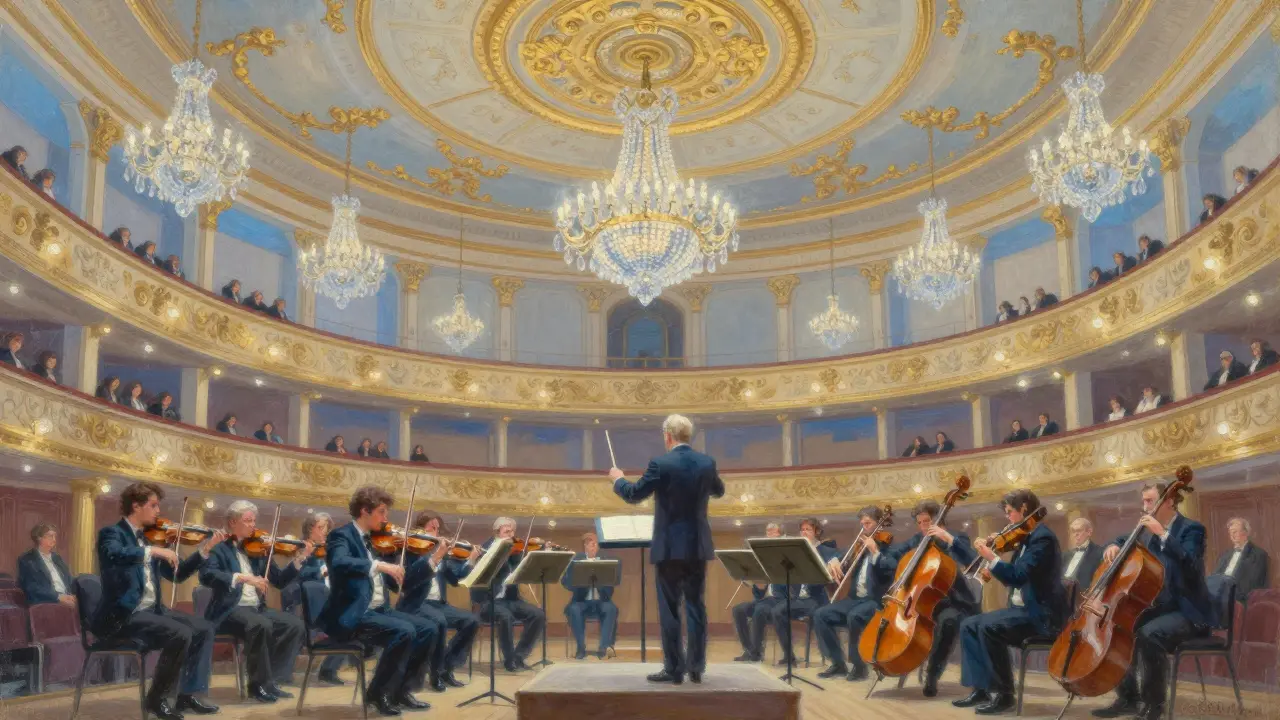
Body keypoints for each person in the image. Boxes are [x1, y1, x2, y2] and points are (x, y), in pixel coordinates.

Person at [94, 481, 225, 720]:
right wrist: (153, 551)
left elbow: (177, 575)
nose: (158, 511)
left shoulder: (149, 539)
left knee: (204, 628)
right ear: (136, 506)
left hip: (153, 611)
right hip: (124, 615)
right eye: (153, 506)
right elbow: (114, 554)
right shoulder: (112, 534)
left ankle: (187, 694)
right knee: (180, 633)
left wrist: (205, 550)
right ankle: (156, 699)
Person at [611, 413, 725, 684]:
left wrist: (618, 479)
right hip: (697, 546)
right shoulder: (706, 463)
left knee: (670, 609)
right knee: (696, 606)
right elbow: (718, 491)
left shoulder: (661, 464)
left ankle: (674, 669)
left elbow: (634, 494)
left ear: (667, 436)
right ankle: (696, 667)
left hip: (670, 547)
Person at [1090, 482, 1210, 720]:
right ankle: (1128, 698)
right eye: (1143, 500)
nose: (1144, 506)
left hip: (1187, 610)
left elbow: (1191, 564)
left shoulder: (1192, 529)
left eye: (1149, 500)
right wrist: (1113, 545)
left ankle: (1154, 706)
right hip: (1159, 606)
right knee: (1120, 629)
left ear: (1168, 501)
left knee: (1149, 634)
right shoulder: (1145, 530)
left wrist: (1163, 534)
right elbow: (1123, 538)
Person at [321, 485, 437, 715]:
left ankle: (401, 691)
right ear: (365, 511)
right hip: (353, 615)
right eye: (382, 512)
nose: (386, 519)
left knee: (428, 628)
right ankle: (377, 692)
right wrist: (378, 564)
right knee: (403, 631)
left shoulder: (378, 542)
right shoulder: (340, 536)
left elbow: (398, 585)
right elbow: (339, 562)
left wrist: (431, 562)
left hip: (378, 611)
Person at [953, 489, 1065, 715]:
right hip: (1020, 611)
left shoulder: (1042, 539)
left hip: (1040, 617)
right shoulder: (1024, 538)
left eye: (1010, 512)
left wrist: (992, 557)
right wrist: (995, 549)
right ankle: (982, 688)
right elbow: (1012, 571)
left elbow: (1018, 576)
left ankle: (1004, 695)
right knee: (969, 624)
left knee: (989, 627)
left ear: (1024, 509)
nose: (1007, 519)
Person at [198, 501, 308, 703]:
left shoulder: (258, 548)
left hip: (256, 609)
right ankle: (257, 686)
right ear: (232, 522)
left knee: (294, 625)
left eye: (254, 521)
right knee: (260, 624)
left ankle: (272, 680)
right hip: (229, 610)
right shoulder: (218, 548)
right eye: (248, 520)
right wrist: (242, 577)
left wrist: (299, 560)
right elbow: (207, 575)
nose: (253, 525)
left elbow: (279, 581)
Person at [903, 501, 983, 696]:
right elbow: (897, 556)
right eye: (920, 522)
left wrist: (945, 538)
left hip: (956, 602)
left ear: (939, 520)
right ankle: (898, 663)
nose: (923, 526)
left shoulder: (956, 538)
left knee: (947, 621)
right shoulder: (917, 540)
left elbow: (973, 560)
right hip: (927, 602)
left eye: (927, 521)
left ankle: (932, 674)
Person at [396, 512, 477, 689]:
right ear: (420, 529)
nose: (436, 531)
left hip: (438, 604)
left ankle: (447, 667)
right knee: (439, 622)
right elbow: (408, 581)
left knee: (471, 620)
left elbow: (455, 579)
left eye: (437, 528)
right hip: (416, 603)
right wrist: (434, 556)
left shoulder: (443, 554)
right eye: (432, 527)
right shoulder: (411, 549)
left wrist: (470, 560)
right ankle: (436, 673)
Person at [813, 509, 891, 682]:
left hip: (876, 602)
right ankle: (838, 663)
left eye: (868, 523)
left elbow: (890, 569)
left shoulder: (887, 546)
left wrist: (875, 552)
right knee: (820, 614)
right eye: (862, 524)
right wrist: (833, 561)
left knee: (854, 616)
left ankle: (859, 666)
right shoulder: (859, 545)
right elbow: (837, 554)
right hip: (855, 599)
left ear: (879, 523)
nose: (864, 528)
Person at [468, 517, 547, 672]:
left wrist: (540, 546)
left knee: (538, 615)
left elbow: (527, 562)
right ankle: (509, 659)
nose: (511, 535)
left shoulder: (515, 550)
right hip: (488, 601)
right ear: (497, 533)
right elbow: (476, 580)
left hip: (511, 599)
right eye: (507, 531)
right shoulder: (485, 549)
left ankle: (519, 656)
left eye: (512, 531)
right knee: (505, 616)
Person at [773, 518, 840, 666]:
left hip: (816, 600)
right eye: (802, 530)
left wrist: (834, 561)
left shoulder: (825, 549)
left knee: (783, 610)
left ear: (817, 532)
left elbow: (836, 556)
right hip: (799, 600)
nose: (804, 532)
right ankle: (789, 655)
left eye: (808, 529)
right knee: (777, 611)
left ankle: (833, 658)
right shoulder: (796, 552)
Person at [292, 512, 347, 686]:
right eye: (321, 528)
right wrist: (321, 571)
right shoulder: (303, 550)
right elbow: (299, 575)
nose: (326, 532)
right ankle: (319, 632)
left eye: (328, 528)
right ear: (309, 529)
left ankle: (329, 670)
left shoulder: (330, 550)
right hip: (311, 602)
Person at [731, 522, 785, 662]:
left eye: (774, 532)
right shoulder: (761, 556)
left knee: (760, 609)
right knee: (738, 610)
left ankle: (755, 653)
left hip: (781, 599)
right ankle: (749, 649)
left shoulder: (785, 554)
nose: (770, 534)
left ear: (780, 535)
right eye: (768, 531)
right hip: (765, 599)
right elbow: (760, 592)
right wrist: (756, 581)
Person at [562, 531, 619, 660]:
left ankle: (604, 647)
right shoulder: (575, 560)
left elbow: (611, 585)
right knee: (574, 609)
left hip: (601, 600)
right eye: (588, 543)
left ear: (598, 546)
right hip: (580, 600)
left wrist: (600, 581)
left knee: (611, 608)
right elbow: (565, 582)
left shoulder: (606, 560)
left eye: (594, 543)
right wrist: (579, 581)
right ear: (584, 547)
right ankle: (580, 647)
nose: (592, 545)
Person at [17, 522, 75, 606]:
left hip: (66, 597)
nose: (54, 539)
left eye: (55, 536)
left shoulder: (57, 558)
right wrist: (58, 597)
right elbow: (32, 588)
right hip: (45, 601)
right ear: (39, 538)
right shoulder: (28, 559)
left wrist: (70, 595)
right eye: (50, 536)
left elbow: (68, 579)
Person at [1213, 517, 1269, 600]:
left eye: (1235, 532)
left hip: (1241, 599)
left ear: (1245, 533)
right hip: (1221, 596)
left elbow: (1252, 584)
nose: (1232, 535)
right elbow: (1215, 576)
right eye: (1230, 532)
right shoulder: (1225, 554)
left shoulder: (1258, 554)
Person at [1062, 517, 1104, 593]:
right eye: (1073, 531)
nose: (1075, 534)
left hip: (1084, 598)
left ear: (1089, 532)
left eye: (1078, 530)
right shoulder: (1065, 555)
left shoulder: (1099, 553)